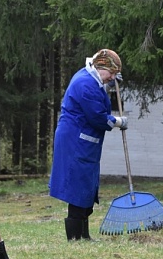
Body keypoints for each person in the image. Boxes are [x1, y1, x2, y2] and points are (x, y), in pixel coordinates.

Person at [49, 49, 127, 240]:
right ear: (100, 67)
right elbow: (97, 117)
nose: (112, 78)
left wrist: (108, 85)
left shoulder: (92, 78)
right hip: (76, 141)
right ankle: (76, 237)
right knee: (77, 188)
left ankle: (83, 235)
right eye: (111, 73)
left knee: (85, 187)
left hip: (83, 141)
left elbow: (98, 98)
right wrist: (117, 121)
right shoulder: (85, 84)